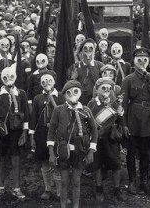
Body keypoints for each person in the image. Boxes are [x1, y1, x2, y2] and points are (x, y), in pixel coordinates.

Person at [122, 48, 150, 195]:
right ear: (133, 61)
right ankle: (132, 181)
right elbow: (123, 104)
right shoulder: (128, 80)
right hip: (134, 119)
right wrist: (124, 124)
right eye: (139, 59)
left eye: (145, 60)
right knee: (132, 152)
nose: (142, 62)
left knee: (147, 152)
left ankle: (144, 182)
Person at [47, 80, 98, 208]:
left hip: (80, 151)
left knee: (76, 181)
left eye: (75, 91)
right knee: (64, 181)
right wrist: (51, 153)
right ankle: (63, 205)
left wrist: (91, 151)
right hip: (63, 151)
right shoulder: (59, 110)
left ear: (80, 93)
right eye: (68, 92)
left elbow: (94, 130)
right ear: (65, 95)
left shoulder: (85, 110)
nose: (72, 95)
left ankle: (76, 206)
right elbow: (51, 131)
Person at [0, 66, 29, 200]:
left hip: (16, 131)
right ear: (2, 79)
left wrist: (25, 131)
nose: (8, 80)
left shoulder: (21, 93)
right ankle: (0, 187)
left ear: (15, 77)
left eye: (11, 77)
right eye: (5, 77)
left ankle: (16, 188)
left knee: (16, 157)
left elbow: (26, 114)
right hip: (2, 131)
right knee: (1, 157)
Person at [87, 78, 127, 203]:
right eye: (103, 88)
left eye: (109, 89)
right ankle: (99, 189)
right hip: (97, 139)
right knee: (97, 165)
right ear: (97, 89)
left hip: (111, 139)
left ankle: (117, 189)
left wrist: (120, 110)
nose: (106, 91)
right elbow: (89, 123)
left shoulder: (114, 103)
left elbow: (120, 120)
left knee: (116, 164)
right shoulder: (91, 104)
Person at [29, 69, 65, 200]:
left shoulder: (61, 96)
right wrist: (32, 136)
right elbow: (33, 118)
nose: (46, 82)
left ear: (54, 81)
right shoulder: (37, 98)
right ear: (40, 83)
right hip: (42, 133)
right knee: (44, 161)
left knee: (57, 162)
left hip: (56, 133)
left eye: (49, 80)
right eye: (43, 81)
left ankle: (61, 192)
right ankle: (48, 189)